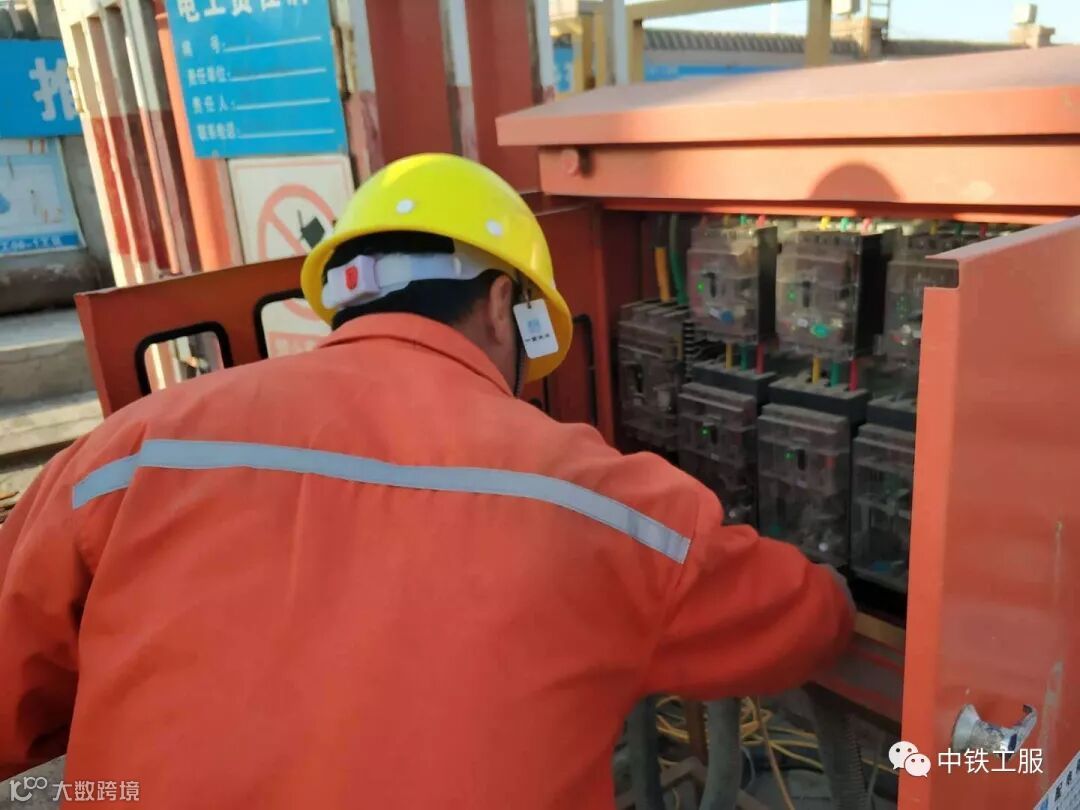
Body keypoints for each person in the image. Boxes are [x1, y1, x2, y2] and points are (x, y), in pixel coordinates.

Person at [0, 153, 853, 808]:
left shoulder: (127, 454)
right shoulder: (603, 503)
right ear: (502, 305)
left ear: (342, 298)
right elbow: (808, 618)